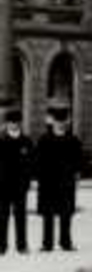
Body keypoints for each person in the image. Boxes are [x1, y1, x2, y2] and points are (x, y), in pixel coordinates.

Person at [35, 104, 84, 251]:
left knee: (66, 213)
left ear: (67, 122)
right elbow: (37, 160)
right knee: (48, 214)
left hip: (66, 181)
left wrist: (77, 174)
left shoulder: (73, 140)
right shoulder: (44, 140)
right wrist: (39, 177)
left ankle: (65, 242)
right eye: (58, 121)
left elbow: (79, 160)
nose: (60, 124)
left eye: (63, 121)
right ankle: (47, 243)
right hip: (48, 181)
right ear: (52, 122)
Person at [0, 106, 34, 254]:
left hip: (20, 185)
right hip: (2, 184)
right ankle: (1, 245)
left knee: (21, 216)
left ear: (20, 123)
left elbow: (31, 163)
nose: (13, 124)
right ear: (6, 123)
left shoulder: (26, 141)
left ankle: (22, 245)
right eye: (10, 122)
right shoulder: (0, 140)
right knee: (2, 217)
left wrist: (27, 181)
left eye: (16, 122)